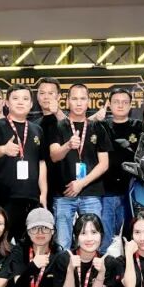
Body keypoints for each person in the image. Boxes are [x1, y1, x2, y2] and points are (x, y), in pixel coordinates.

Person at [48, 83, 111, 249]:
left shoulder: (98, 127)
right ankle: (65, 267)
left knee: (93, 242)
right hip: (64, 193)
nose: (78, 103)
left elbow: (104, 164)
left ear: (88, 101)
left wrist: (81, 183)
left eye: (83, 99)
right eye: (74, 98)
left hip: (91, 193)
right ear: (67, 101)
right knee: (62, 243)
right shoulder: (58, 127)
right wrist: (68, 145)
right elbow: (54, 155)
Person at [0, 84, 48, 242]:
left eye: (25, 99)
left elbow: (41, 163)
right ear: (7, 102)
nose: (20, 102)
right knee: (0, 244)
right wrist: (3, 149)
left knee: (29, 245)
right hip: (5, 198)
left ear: (31, 104)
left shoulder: (37, 130)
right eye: (15, 98)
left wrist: (43, 194)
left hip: (31, 198)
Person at [95, 86, 144, 254]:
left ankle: (128, 266)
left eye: (125, 102)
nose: (120, 105)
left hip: (131, 191)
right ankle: (104, 266)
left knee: (129, 237)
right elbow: (77, 124)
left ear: (131, 105)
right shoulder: (101, 125)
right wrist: (95, 118)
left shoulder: (139, 127)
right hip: (106, 191)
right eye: (116, 102)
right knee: (105, 238)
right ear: (109, 104)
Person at [31, 77, 66, 209]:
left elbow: (72, 130)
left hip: (65, 189)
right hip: (39, 189)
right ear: (37, 97)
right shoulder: (33, 125)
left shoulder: (65, 120)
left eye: (51, 93)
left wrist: (58, 112)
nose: (46, 97)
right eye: (42, 93)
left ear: (59, 96)